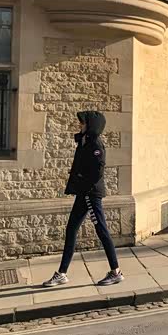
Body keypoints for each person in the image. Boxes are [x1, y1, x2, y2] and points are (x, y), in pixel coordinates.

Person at [44, 111, 124, 288]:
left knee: (101, 230)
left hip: (90, 193)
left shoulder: (95, 144)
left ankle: (116, 272)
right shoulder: (85, 141)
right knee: (71, 228)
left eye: (83, 123)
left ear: (91, 125)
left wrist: (82, 179)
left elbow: (98, 171)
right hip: (83, 192)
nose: (80, 125)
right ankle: (62, 273)